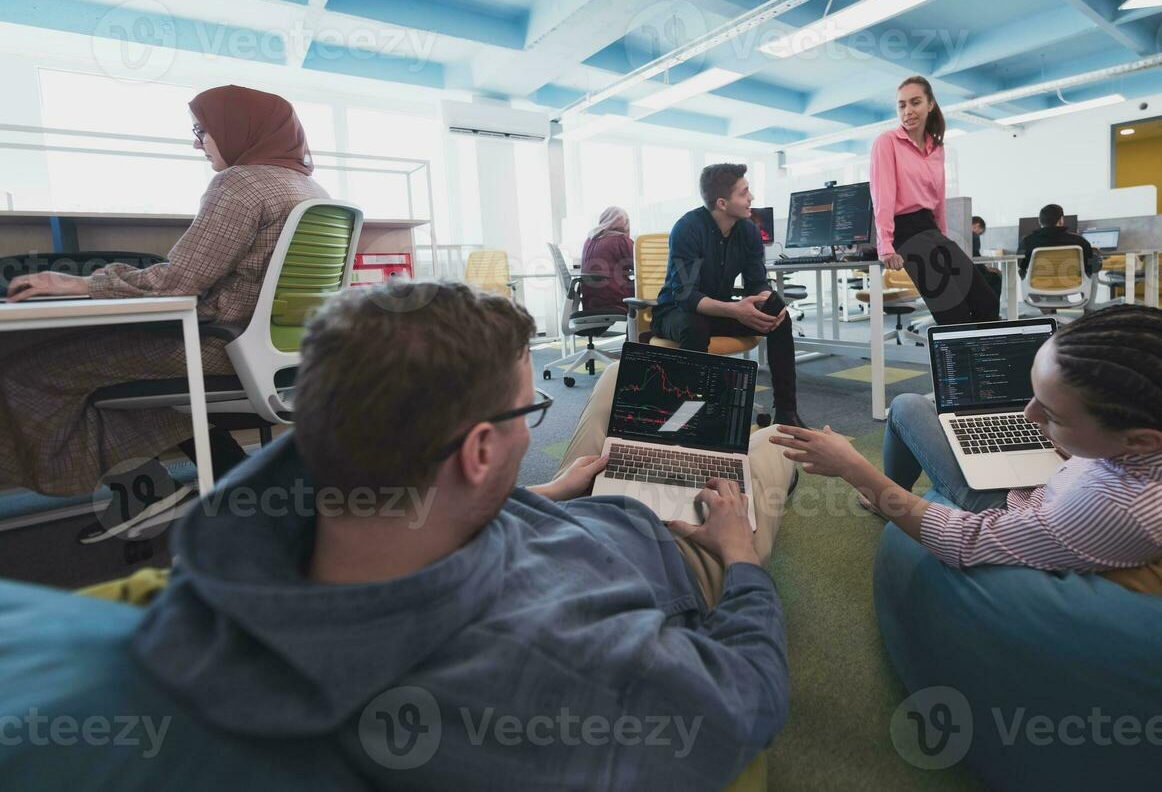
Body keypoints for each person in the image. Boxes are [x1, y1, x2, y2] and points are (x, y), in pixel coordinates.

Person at [131, 281, 793, 787]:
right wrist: (738, 557)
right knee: (773, 445)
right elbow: (747, 697)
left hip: (547, 510)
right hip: (678, 546)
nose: (531, 425)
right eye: (529, 412)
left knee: (630, 374)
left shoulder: (290, 526)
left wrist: (540, 493)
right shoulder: (560, 666)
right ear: (478, 452)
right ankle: (761, 451)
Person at [771, 306, 1162, 572]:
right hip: (1092, 468)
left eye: (1050, 412)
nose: (1028, 417)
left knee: (911, 405)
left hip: (1023, 502)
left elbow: (966, 542)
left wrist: (852, 466)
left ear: (1139, 440)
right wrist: (1074, 437)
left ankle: (879, 498)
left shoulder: (1109, 507)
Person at [0, 85, 328, 496]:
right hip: (274, 351)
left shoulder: (241, 183)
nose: (196, 143)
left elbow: (177, 283)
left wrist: (78, 282)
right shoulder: (310, 190)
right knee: (112, 366)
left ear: (239, 127)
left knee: (27, 369)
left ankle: (91, 485)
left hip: (218, 348)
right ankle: (225, 484)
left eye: (202, 129)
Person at [653, 163, 804, 427]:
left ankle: (787, 414)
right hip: (676, 313)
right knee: (695, 325)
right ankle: (688, 419)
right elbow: (687, 297)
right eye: (744, 192)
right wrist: (735, 310)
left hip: (719, 310)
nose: (751, 198)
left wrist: (768, 301)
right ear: (722, 203)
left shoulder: (748, 230)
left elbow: (756, 282)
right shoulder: (688, 228)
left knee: (782, 320)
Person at [870, 76, 999, 326]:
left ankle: (982, 363)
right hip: (905, 231)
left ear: (930, 104)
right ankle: (957, 364)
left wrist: (943, 239)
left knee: (987, 301)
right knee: (953, 315)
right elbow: (882, 196)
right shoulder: (887, 142)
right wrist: (885, 244)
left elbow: (938, 200)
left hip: (931, 231)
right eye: (902, 105)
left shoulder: (936, 148)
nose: (908, 111)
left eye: (915, 102)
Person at [1019, 203, 1099, 278]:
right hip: (1070, 285)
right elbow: (1093, 267)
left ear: (1039, 221)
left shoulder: (1026, 242)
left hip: (1038, 285)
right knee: (1094, 270)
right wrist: (1095, 253)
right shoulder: (1079, 241)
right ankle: (1087, 293)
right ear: (1061, 220)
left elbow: (1021, 265)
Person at [578, 206, 635, 313]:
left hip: (590, 301)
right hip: (613, 298)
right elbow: (642, 265)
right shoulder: (620, 240)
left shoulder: (589, 240)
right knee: (649, 293)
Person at [970, 215, 1002, 299]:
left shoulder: (956, 234)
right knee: (996, 276)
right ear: (976, 225)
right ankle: (993, 309)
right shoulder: (973, 236)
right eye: (980, 233)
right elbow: (975, 258)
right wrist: (986, 269)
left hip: (955, 275)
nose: (979, 235)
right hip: (970, 276)